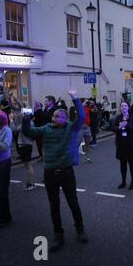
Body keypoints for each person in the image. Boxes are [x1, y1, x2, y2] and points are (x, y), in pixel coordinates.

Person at [22, 90, 88, 252]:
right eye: (53, 116)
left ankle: (80, 231)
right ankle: (58, 236)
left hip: (66, 172)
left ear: (65, 119)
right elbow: (29, 132)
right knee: (54, 206)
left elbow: (81, 117)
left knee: (73, 203)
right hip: (50, 173)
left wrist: (75, 98)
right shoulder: (46, 128)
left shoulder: (71, 128)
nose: (54, 118)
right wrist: (25, 117)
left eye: (57, 116)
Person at [113, 101, 133, 190]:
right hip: (121, 144)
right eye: (122, 106)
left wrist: (126, 125)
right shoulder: (118, 118)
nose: (124, 107)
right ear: (120, 108)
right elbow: (113, 128)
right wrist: (119, 127)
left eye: (125, 105)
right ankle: (123, 181)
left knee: (131, 163)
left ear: (128, 107)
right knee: (122, 164)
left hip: (130, 144)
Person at [9, 111, 36, 191]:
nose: (22, 115)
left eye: (23, 114)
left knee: (28, 165)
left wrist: (11, 120)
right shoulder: (30, 122)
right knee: (27, 165)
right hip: (26, 145)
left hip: (25, 145)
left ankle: (31, 183)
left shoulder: (27, 123)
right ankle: (31, 182)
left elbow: (14, 129)